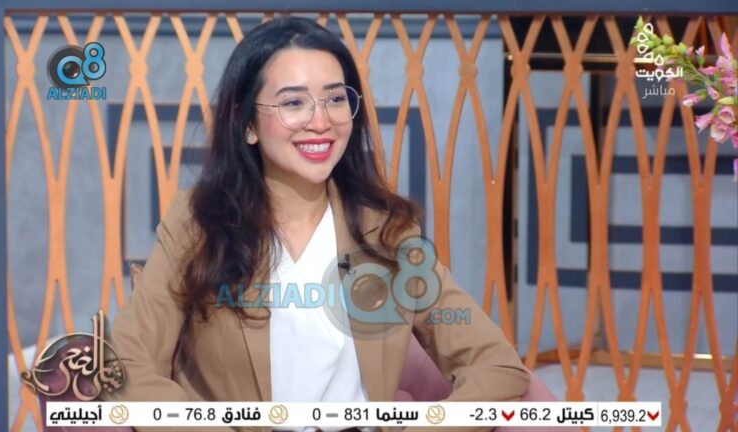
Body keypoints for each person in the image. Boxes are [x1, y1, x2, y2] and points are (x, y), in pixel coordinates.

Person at [105, 16, 530, 432]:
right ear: (248, 123)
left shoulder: (388, 233)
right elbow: (126, 363)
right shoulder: (198, 223)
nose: (321, 121)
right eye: (293, 103)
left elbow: (497, 364)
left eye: (335, 99)